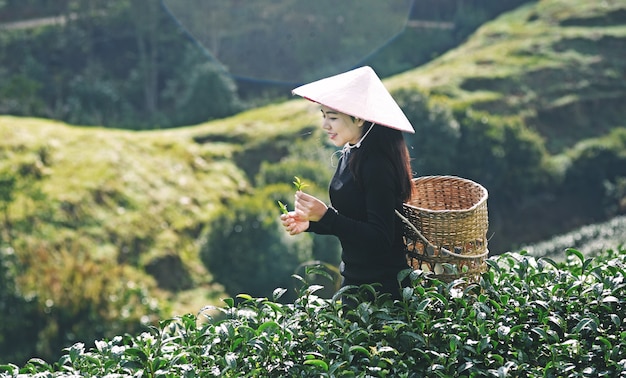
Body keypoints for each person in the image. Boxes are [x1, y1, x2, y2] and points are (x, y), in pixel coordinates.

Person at [280, 66, 415, 303]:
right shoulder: (352, 152)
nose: (325, 125)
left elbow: (379, 237)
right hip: (355, 282)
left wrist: (326, 216)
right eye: (323, 116)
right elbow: (353, 219)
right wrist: (312, 223)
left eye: (332, 117)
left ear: (359, 117)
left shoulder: (377, 165)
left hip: (381, 293)